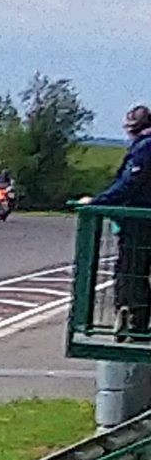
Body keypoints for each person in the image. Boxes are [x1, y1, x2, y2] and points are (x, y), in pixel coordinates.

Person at [84, 105, 151, 331]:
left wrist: (98, 201)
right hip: (139, 218)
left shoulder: (144, 148)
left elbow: (130, 183)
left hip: (140, 221)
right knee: (134, 270)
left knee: (130, 270)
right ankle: (134, 317)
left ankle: (133, 320)